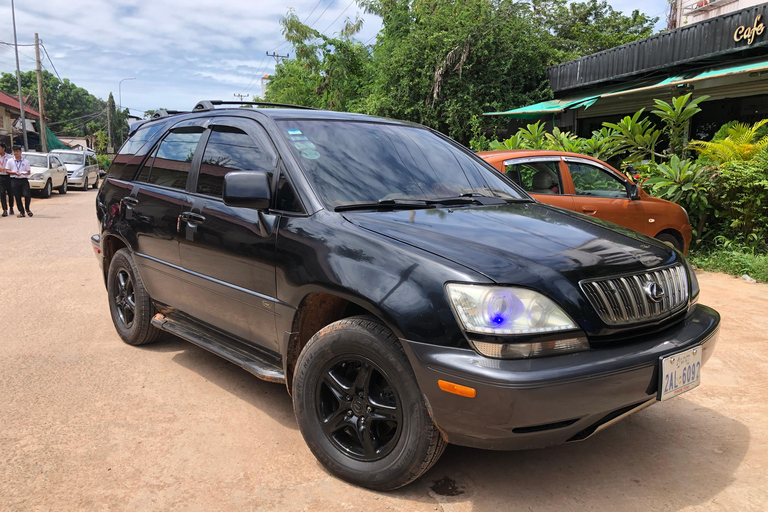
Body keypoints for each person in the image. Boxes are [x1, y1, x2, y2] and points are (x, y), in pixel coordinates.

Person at [6, 145, 32, 217]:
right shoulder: (10, 161)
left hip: (23, 179)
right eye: (14, 151)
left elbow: (28, 171)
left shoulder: (26, 161)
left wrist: (26, 173)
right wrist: (14, 173)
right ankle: (22, 212)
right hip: (14, 180)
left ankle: (27, 209)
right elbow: (7, 170)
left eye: (17, 151)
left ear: (20, 152)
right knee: (17, 196)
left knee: (27, 195)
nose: (16, 153)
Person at [0, 142, 14, 217]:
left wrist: (6, 169)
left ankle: (11, 207)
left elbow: (13, 166)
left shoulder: (9, 157)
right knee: (2, 193)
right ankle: (4, 210)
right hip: (1, 177)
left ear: (3, 148)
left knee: (10, 193)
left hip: (8, 176)